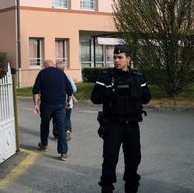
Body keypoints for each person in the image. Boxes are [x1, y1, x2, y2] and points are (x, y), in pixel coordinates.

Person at [91, 45, 151, 193]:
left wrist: (135, 90)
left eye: (120, 57)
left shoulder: (137, 77)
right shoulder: (106, 77)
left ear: (128, 59)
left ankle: (131, 189)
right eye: (115, 57)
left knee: (133, 159)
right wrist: (110, 91)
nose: (116, 60)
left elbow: (147, 98)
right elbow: (95, 98)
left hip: (132, 125)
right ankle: (107, 189)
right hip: (112, 126)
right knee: (110, 160)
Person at [33, 59, 73, 161]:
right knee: (61, 127)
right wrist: (68, 101)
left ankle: (44, 145)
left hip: (46, 105)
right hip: (60, 105)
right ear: (53, 65)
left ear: (45, 66)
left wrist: (36, 105)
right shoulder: (61, 73)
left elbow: (35, 90)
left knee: (45, 124)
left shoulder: (42, 73)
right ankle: (63, 153)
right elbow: (70, 90)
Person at [52, 61, 77, 141]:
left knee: (56, 118)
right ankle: (67, 132)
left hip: (57, 102)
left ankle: (57, 135)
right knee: (67, 118)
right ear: (64, 68)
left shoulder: (53, 78)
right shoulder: (68, 77)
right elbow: (74, 89)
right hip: (68, 102)